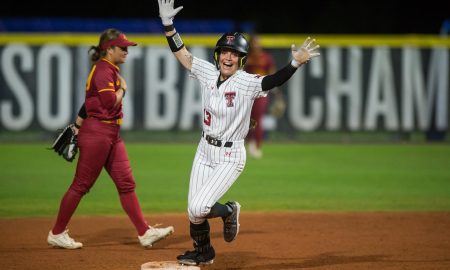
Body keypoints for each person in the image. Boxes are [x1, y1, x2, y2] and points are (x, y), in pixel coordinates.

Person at [158, 0, 320, 266]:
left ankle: (230, 210)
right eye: (224, 51)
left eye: (234, 53)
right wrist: (168, 25)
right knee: (193, 212)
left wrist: (294, 63)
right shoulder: (208, 73)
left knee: (200, 207)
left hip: (230, 155)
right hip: (204, 150)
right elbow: (183, 54)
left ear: (242, 59)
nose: (228, 57)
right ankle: (204, 252)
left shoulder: (245, 82)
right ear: (218, 54)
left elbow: (272, 80)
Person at [47, 28, 174, 249]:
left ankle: (144, 232)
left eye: (127, 47)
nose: (126, 50)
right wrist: (123, 90)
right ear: (109, 49)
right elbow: (107, 102)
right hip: (98, 135)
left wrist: (77, 125)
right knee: (81, 185)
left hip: (111, 135)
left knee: (126, 183)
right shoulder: (103, 70)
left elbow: (90, 103)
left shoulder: (108, 69)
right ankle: (57, 232)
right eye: (122, 47)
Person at [244, 35, 286, 159]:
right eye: (254, 43)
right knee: (244, 119)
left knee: (257, 119)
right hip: (247, 91)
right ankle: (245, 143)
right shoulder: (246, 57)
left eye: (258, 42)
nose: (256, 45)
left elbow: (272, 75)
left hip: (261, 92)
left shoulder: (266, 58)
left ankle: (256, 146)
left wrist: (277, 94)